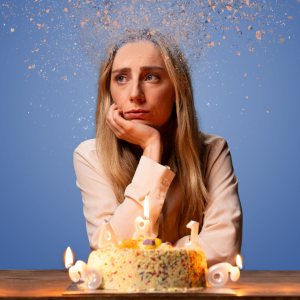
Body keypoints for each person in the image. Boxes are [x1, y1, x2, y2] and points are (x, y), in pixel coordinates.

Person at [73, 29, 242, 267]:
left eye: (151, 77)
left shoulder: (213, 150)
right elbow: (111, 254)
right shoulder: (91, 156)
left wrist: (154, 255)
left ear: (177, 88)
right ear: (108, 91)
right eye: (121, 78)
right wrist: (152, 147)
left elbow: (224, 251)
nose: (135, 94)